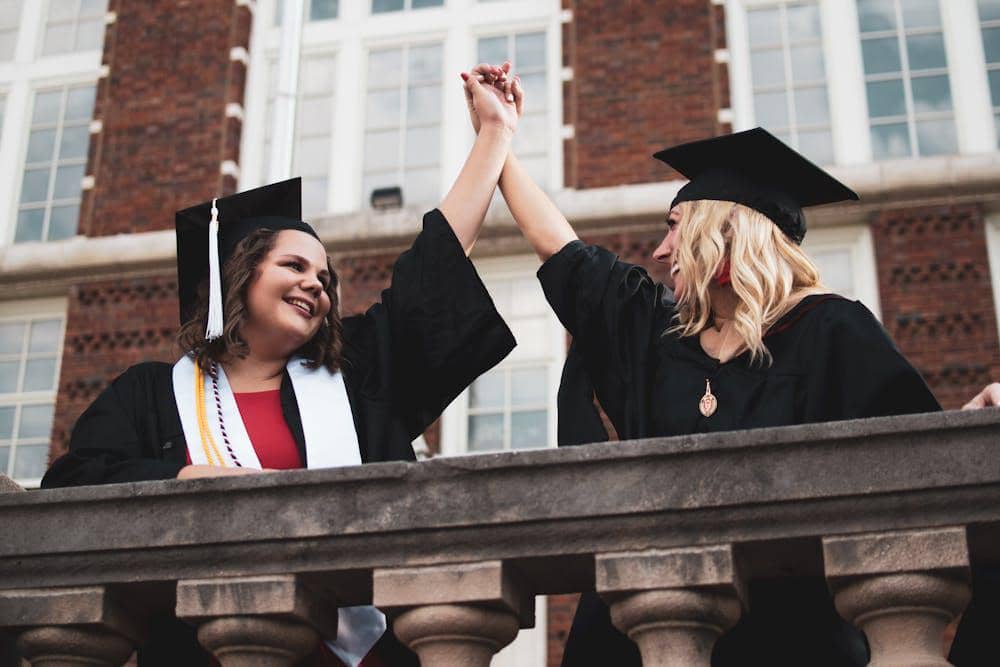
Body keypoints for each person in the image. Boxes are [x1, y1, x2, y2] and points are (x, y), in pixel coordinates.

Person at [466, 63, 1000, 666]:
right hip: (641, 636)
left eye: (674, 229)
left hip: (789, 643)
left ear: (723, 237)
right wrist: (498, 135)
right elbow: (559, 247)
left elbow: (914, 466)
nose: (661, 251)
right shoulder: (655, 333)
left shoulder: (833, 334)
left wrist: (967, 429)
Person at [40, 70, 519, 666]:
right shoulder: (151, 395)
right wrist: (190, 482)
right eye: (294, 266)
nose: (314, 284)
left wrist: (494, 135)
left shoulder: (355, 379)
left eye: (324, 277)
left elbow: (433, 271)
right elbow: (74, 487)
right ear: (238, 277)